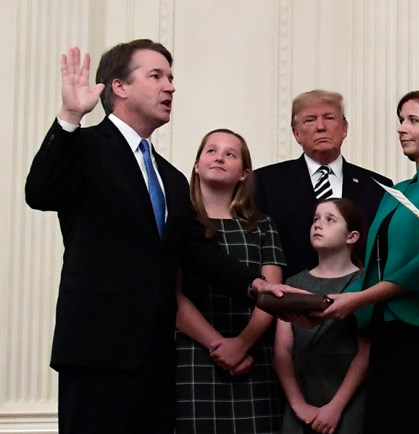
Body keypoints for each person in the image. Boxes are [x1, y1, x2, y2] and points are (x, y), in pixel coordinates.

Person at [24, 40, 279, 434]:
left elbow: (197, 251)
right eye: (156, 76)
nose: (171, 87)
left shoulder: (170, 177)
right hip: (97, 351)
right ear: (119, 87)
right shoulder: (85, 147)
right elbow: (40, 193)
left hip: (158, 356)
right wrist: (69, 116)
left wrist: (259, 288)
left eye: (172, 78)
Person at [321, 90, 419, 433]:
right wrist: (321, 303)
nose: (402, 128)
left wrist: (358, 299)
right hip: (387, 332)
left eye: (413, 120)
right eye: (400, 120)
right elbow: (375, 266)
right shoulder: (398, 189)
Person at [175, 129, 286, 433]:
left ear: (244, 173)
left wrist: (241, 344)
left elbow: (271, 292)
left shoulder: (261, 225)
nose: (220, 158)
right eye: (211, 151)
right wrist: (217, 345)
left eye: (230, 154)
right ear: (197, 164)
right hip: (192, 355)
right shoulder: (178, 222)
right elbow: (172, 295)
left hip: (253, 355)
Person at [254, 89, 392, 278]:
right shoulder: (264, 182)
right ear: (296, 133)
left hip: (359, 298)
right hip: (287, 299)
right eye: (310, 120)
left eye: (329, 118)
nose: (320, 127)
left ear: (344, 128)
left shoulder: (377, 187)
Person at [274, 198, 370, 434]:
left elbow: (366, 351)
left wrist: (335, 407)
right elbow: (283, 350)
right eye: (316, 219)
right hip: (301, 398)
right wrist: (299, 405)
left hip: (347, 402)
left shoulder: (365, 283)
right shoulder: (293, 283)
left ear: (352, 237)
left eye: (330, 219)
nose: (318, 224)